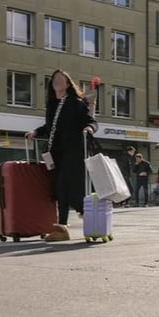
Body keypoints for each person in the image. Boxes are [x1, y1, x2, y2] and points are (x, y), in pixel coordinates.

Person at [25, 68, 97, 242]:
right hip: (55, 152)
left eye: (61, 78)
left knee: (68, 186)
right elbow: (51, 127)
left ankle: (83, 220)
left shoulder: (75, 102)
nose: (57, 81)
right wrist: (35, 131)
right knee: (59, 189)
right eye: (55, 78)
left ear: (67, 83)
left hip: (72, 152)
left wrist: (88, 129)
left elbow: (91, 121)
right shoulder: (52, 104)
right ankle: (64, 226)